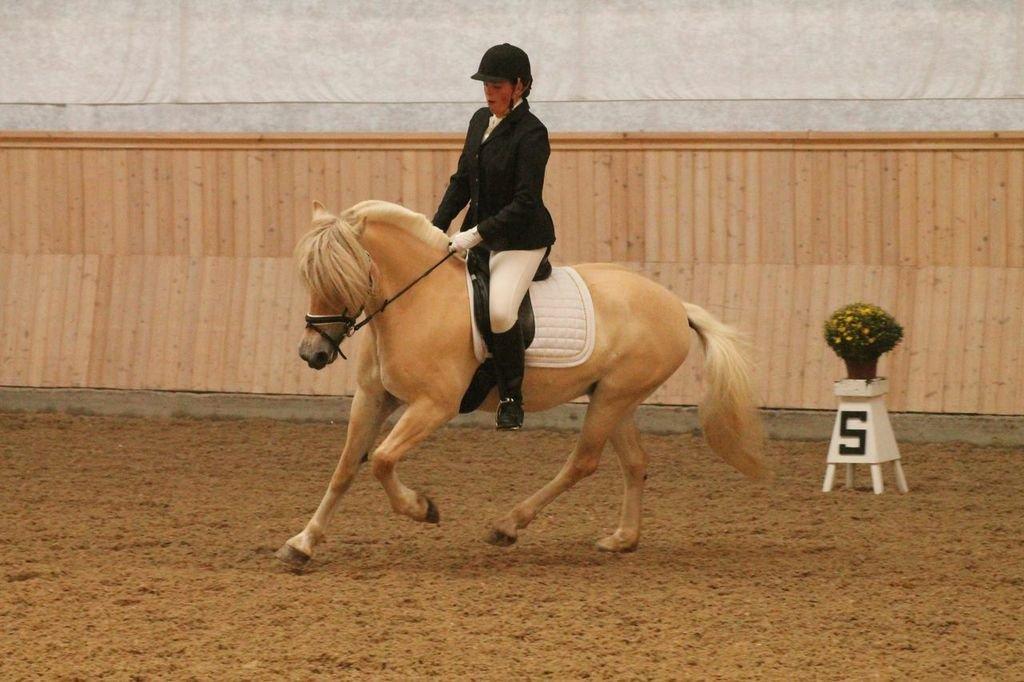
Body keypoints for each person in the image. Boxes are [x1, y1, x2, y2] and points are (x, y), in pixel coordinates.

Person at [433, 43, 556, 431]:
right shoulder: (479, 120)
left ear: (519, 86)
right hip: (479, 233)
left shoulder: (533, 134)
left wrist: (474, 234)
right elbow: (462, 182)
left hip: (521, 238)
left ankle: (510, 396)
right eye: (485, 84)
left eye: (497, 85)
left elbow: (525, 201)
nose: (489, 91)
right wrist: (434, 229)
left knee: (501, 310)